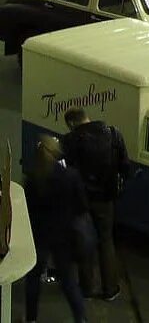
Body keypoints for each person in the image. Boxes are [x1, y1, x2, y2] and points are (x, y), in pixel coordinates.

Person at [62, 107, 129, 301]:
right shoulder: (114, 134)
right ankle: (110, 289)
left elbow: (65, 168)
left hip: (81, 200)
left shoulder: (70, 140)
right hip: (105, 199)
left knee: (84, 241)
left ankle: (86, 288)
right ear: (87, 118)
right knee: (106, 241)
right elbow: (125, 166)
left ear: (72, 123)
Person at [23, 135, 88, 323]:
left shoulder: (33, 178)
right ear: (56, 153)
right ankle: (80, 319)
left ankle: (31, 319)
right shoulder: (71, 176)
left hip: (39, 235)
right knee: (68, 280)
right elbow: (82, 206)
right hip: (64, 236)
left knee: (34, 278)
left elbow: (28, 208)